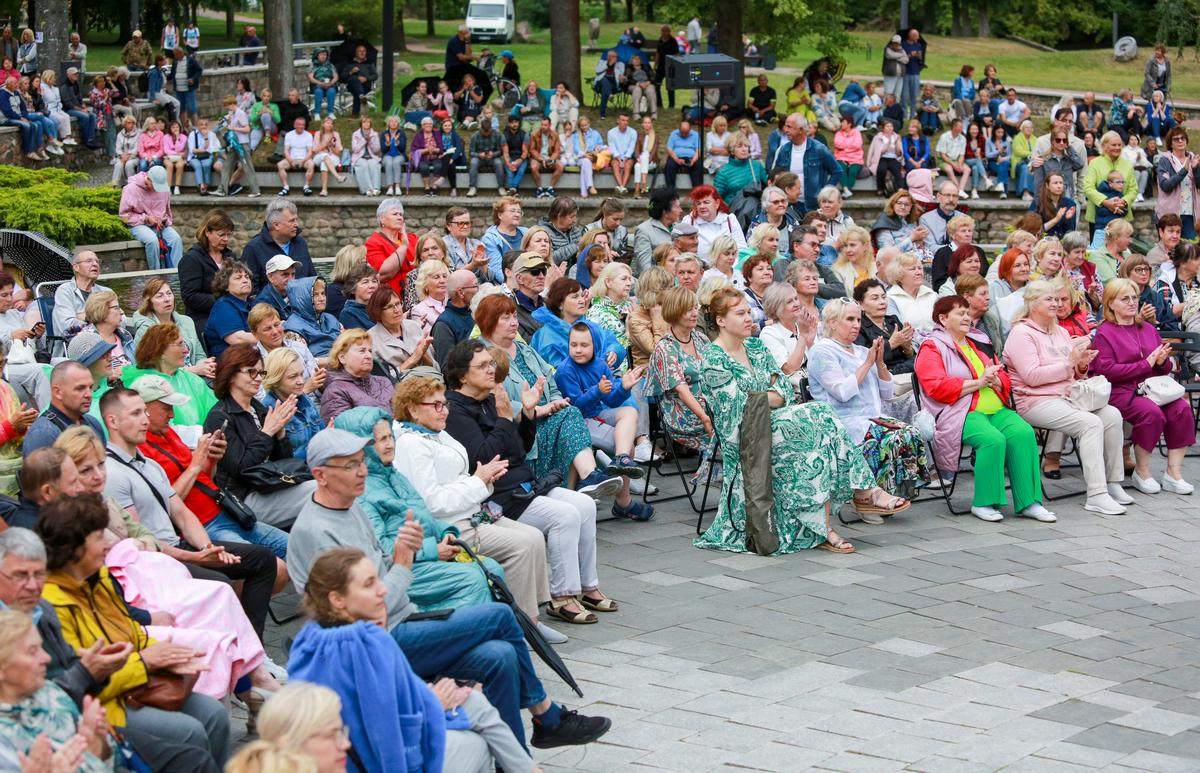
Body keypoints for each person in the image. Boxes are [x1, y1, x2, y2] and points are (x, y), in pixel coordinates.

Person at [287, 424, 611, 748]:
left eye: (361, 461)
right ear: (320, 475)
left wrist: (410, 548)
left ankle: (514, 761)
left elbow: (382, 564)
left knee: (501, 656)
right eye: (350, 465)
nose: (362, 471)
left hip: (401, 619)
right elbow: (373, 609)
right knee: (499, 615)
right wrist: (403, 562)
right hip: (374, 642)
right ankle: (547, 716)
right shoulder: (317, 532)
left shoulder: (351, 507)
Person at [287, 549, 535, 773]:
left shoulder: (308, 641)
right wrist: (434, 704)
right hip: (370, 761)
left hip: (345, 754)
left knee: (475, 699)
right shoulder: (367, 643)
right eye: (369, 584)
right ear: (337, 600)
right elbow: (384, 734)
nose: (383, 589)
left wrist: (428, 697)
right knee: (477, 743)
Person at [698, 288, 904, 554]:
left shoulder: (756, 346)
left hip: (776, 423)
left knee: (819, 428)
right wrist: (768, 395)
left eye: (749, 312)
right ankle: (863, 493)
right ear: (721, 320)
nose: (749, 318)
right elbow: (735, 408)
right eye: (741, 313)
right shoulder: (713, 359)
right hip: (743, 435)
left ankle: (830, 523)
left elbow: (782, 387)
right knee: (818, 416)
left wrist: (764, 395)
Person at [36, 495, 232, 770]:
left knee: (214, 715)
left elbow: (131, 633)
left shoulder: (99, 577)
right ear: (74, 548)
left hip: (136, 684)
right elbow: (86, 679)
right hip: (103, 703)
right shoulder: (52, 603)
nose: (109, 543)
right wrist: (146, 661)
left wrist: (167, 653)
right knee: (189, 732)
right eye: (98, 537)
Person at [441, 340, 619, 626]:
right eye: (483, 365)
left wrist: (525, 415)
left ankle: (587, 586)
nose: (492, 369)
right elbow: (486, 459)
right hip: (497, 496)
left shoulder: (488, 398)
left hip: (521, 484)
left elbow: (520, 447)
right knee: (564, 516)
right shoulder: (456, 411)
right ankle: (562, 596)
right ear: (463, 375)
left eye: (491, 363)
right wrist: (502, 417)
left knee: (585, 504)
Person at [392, 375, 551, 628]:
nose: (443, 410)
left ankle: (530, 617)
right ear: (412, 409)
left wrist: (485, 478)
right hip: (449, 525)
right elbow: (432, 502)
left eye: (444, 403)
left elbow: (462, 478)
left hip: (471, 511)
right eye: (435, 405)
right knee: (521, 545)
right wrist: (479, 481)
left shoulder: (436, 433)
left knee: (533, 536)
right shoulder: (411, 444)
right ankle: (522, 623)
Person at [332, 405, 503, 610]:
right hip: (399, 571)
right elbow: (378, 552)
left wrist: (447, 532)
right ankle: (465, 635)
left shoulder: (392, 474)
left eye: (389, 437)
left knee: (491, 567)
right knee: (473, 578)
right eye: (378, 440)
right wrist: (433, 550)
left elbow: (423, 514)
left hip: (422, 556)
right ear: (359, 447)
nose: (389, 445)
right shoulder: (359, 492)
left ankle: (496, 630)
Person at [1000, 280, 1132, 515]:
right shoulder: (1022, 333)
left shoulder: (1060, 330)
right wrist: (1068, 362)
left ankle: (1112, 483)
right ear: (1032, 304)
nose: (1056, 304)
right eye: (1049, 299)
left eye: (1058, 299)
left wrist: (1080, 365)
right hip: (1035, 401)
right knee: (1090, 423)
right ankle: (1096, 494)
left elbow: (1071, 372)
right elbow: (1031, 376)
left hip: (1068, 396)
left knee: (1112, 415)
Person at [915, 295, 1050, 522]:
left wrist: (996, 381)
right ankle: (984, 502)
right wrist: (979, 382)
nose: (967, 317)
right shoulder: (932, 347)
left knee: (1023, 433)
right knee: (992, 439)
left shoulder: (980, 341)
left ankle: (1029, 502)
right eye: (960, 313)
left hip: (996, 408)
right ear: (943, 318)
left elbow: (1004, 377)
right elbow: (935, 387)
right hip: (960, 411)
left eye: (968, 313)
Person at [475, 294, 620, 495]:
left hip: (549, 417)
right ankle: (585, 479)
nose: (514, 322)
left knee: (569, 412)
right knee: (570, 418)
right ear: (488, 321)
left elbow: (550, 384)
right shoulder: (481, 356)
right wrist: (537, 410)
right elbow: (492, 401)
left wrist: (555, 402)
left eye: (515, 316)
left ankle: (584, 483)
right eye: (506, 318)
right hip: (521, 428)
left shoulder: (525, 349)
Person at [808, 298, 931, 505]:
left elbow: (887, 393)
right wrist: (867, 364)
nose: (856, 324)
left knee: (910, 432)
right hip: (843, 422)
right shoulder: (823, 350)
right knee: (894, 437)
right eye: (849, 319)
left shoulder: (862, 351)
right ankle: (872, 498)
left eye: (858, 319)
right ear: (832, 322)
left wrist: (880, 362)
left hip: (872, 418)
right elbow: (842, 393)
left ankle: (893, 492)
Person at [1091, 278, 1195, 494]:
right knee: (1151, 413)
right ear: (1110, 303)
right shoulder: (1105, 332)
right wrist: (1145, 364)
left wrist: (1161, 361)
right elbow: (1106, 371)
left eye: (1134, 297)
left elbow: (1163, 368)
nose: (1132, 302)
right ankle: (1142, 471)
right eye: (1125, 298)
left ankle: (1173, 474)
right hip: (1122, 392)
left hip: (1154, 389)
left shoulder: (1147, 328)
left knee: (1182, 409)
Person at [199, 345, 317, 531]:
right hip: (245, 498)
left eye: (260, 372)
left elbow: (283, 462)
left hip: (272, 487)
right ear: (230, 375)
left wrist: (280, 435)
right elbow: (242, 469)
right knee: (322, 491)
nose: (259, 378)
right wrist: (267, 432)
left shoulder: (260, 409)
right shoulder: (220, 417)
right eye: (251, 372)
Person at [0, 609, 116, 772]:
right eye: (33, 651)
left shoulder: (50, 692)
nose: (47, 658)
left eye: (42, 647)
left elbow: (107, 761)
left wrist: (98, 745)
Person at [22, 361, 105, 454]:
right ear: (58, 392)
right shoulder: (43, 435)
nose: (89, 394)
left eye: (90, 387)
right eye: (80, 388)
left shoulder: (93, 423)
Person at [261, 347, 324, 462]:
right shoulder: (268, 410)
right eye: (293, 377)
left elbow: (323, 431)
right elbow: (281, 459)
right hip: (297, 474)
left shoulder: (304, 399)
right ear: (276, 379)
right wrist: (318, 448)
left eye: (301, 374)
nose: (301, 381)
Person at [240, 199, 315, 291]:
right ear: (276, 225)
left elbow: (312, 279)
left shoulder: (300, 243)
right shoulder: (253, 248)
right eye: (292, 221)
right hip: (269, 304)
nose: (296, 224)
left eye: (296, 220)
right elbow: (251, 289)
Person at [119, 166, 182, 270]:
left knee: (176, 239)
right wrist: (146, 218)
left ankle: (178, 274)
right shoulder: (131, 189)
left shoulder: (164, 189)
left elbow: (167, 213)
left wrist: (164, 221)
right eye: (155, 185)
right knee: (152, 240)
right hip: (138, 224)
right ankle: (155, 275)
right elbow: (124, 216)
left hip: (159, 225)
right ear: (148, 178)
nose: (157, 189)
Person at [1082, 131, 1136, 241]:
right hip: (1098, 217)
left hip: (1122, 216)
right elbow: (1088, 188)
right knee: (1098, 253)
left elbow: (1133, 189)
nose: (1117, 148)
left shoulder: (1128, 164)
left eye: (1119, 145)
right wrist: (1106, 202)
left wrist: (1124, 201)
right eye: (1113, 145)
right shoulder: (1095, 163)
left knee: (1120, 251)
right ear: (1104, 146)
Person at [202, 261, 257, 358]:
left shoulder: (250, 303)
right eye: (238, 278)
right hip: (231, 364)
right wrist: (270, 336)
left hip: (249, 357)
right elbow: (238, 339)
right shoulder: (223, 307)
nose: (245, 280)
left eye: (247, 276)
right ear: (226, 285)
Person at [1156, 127, 1200, 240]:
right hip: (1169, 214)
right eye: (1176, 139)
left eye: (1183, 138)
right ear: (1170, 143)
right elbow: (1165, 186)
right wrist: (1184, 170)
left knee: (1189, 249)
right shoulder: (1164, 160)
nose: (1180, 141)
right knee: (1170, 251)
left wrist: (1195, 169)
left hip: (1190, 214)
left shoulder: (1193, 158)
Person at [664, 119, 702, 193]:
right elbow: (669, 149)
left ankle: (697, 191)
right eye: (682, 132)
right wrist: (677, 160)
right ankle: (671, 191)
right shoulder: (673, 134)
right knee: (669, 165)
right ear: (679, 129)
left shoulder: (695, 134)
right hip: (676, 157)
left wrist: (693, 160)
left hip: (691, 157)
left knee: (698, 165)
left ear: (690, 130)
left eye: (686, 133)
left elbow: (698, 151)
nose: (684, 134)